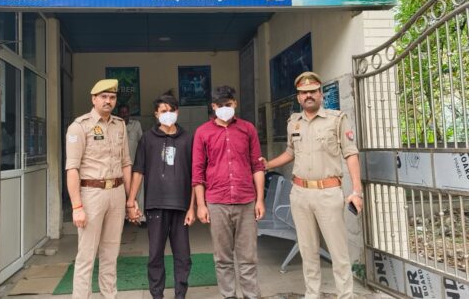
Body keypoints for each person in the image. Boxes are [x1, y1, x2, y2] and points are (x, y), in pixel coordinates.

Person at [260, 71, 363, 299]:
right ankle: (312, 294)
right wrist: (268, 165)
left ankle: (345, 295)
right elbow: (290, 152)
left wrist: (357, 191)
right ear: (298, 97)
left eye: (312, 91)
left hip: (328, 193)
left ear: (320, 94)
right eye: (303, 92)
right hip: (300, 194)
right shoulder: (293, 122)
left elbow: (351, 154)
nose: (308, 96)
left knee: (338, 252)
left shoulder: (337, 119)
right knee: (308, 252)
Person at [192, 85, 265, 299]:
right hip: (217, 202)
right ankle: (228, 295)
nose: (225, 108)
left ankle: (251, 295)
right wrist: (201, 205)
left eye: (229, 104)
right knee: (222, 258)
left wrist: (260, 200)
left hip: (246, 200)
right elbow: (197, 171)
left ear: (235, 104)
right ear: (213, 106)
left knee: (248, 257)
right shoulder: (202, 132)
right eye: (220, 105)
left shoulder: (247, 129)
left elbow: (257, 166)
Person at [65, 79, 133, 299]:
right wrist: (77, 206)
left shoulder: (119, 125)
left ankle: (109, 295)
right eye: (103, 97)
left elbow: (126, 163)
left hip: (117, 192)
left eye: (112, 97)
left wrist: (130, 199)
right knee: (86, 255)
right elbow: (72, 169)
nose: (108, 101)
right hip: (91, 194)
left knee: (111, 253)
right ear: (93, 99)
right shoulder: (79, 126)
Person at [127, 93, 196, 299]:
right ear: (156, 114)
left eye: (171, 110)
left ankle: (180, 294)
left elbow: (195, 176)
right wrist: (131, 200)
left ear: (177, 112)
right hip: (155, 205)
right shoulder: (147, 139)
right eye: (163, 111)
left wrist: (192, 207)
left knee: (183, 256)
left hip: (181, 206)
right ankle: (157, 294)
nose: (168, 114)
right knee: (155, 255)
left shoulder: (188, 139)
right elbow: (138, 171)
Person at [118, 103, 145, 222]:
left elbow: (142, 143)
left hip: (135, 164)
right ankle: (124, 217)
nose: (124, 114)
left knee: (138, 190)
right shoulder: (115, 125)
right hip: (120, 166)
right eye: (122, 112)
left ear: (129, 113)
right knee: (121, 192)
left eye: (126, 112)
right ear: (118, 114)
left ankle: (140, 217)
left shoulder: (136, 125)